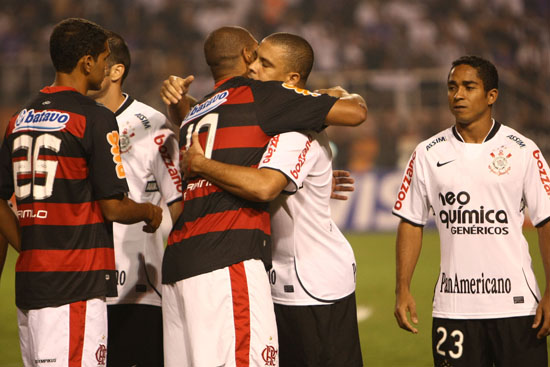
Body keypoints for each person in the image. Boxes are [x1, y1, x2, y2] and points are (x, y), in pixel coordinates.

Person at [160, 26, 367, 367]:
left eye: (264, 63)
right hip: (238, 263)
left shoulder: (266, 110)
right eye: (255, 58)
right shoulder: (261, 103)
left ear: (291, 79)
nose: (255, 67)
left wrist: (183, 110)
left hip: (305, 278)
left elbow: (264, 182)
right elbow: (261, 179)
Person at [0, 18, 163, 366]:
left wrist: (28, 247)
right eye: (104, 58)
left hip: (31, 282)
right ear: (87, 62)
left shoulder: (19, 118)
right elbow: (114, 207)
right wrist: (150, 212)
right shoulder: (94, 117)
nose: (106, 67)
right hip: (74, 284)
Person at [393, 55, 550, 367]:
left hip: (517, 307)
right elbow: (411, 222)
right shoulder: (427, 153)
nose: (458, 95)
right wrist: (403, 288)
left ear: (491, 95)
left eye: (468, 87)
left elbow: (546, 222)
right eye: (452, 87)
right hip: (454, 308)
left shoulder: (523, 150)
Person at [88, 32, 182, 367]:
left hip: (140, 293)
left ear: (115, 71)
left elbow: (179, 206)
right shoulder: (76, 121)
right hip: (83, 288)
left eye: (90, 60)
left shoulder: (152, 126)